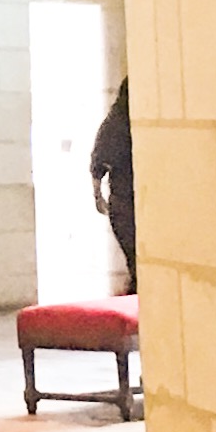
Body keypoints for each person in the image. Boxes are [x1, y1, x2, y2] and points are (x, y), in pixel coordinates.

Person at [90, 77, 138, 292]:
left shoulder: (114, 121)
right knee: (137, 262)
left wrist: (98, 196)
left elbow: (98, 162)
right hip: (127, 202)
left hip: (123, 203)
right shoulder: (122, 122)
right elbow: (99, 162)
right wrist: (98, 196)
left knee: (135, 262)